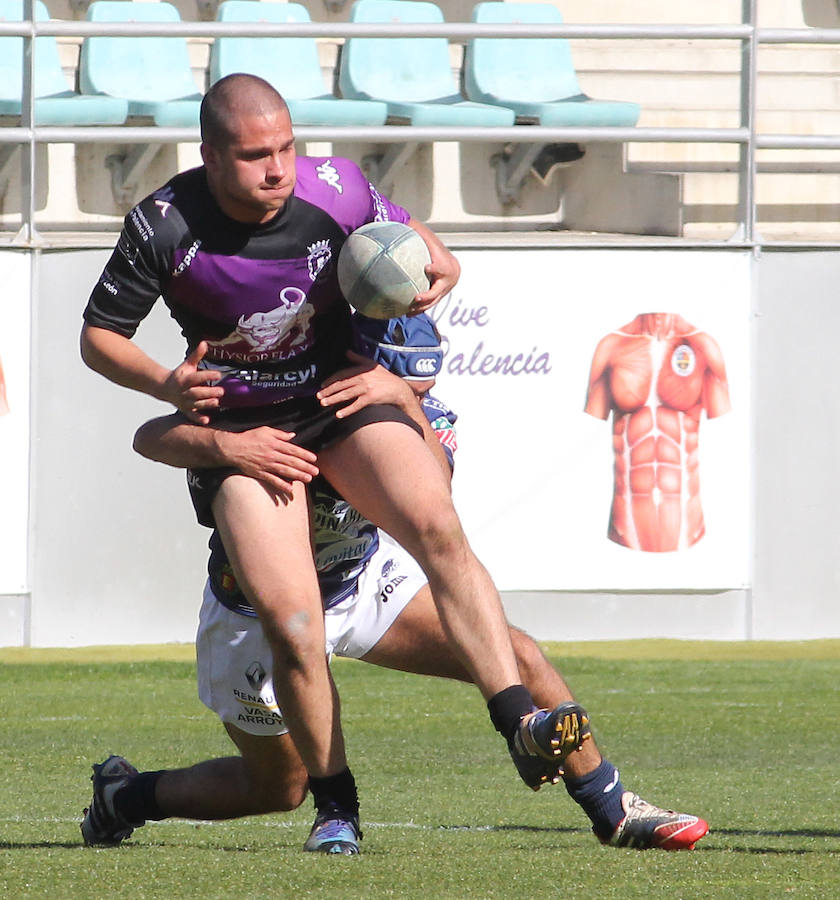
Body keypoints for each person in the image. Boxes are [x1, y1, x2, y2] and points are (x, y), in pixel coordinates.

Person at [80, 73, 590, 853]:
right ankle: (262, 802)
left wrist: (438, 269)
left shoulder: (337, 188)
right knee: (289, 652)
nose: (279, 168)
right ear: (210, 155)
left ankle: (515, 721)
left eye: (287, 147)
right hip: (251, 439)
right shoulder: (161, 225)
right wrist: (166, 382)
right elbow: (100, 339)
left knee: (436, 526)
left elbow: (425, 251)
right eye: (255, 156)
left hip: (335, 403)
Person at [81, 314, 709, 853]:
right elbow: (150, 435)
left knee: (517, 653)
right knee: (279, 787)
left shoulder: (416, 412)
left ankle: (612, 807)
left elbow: (437, 495)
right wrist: (229, 448)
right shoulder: (283, 401)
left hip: (359, 586)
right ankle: (126, 796)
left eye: (419, 383)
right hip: (255, 617)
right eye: (406, 379)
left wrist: (408, 408)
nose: (418, 391)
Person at [585, 312, 731, 552]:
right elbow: (587, 438)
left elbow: (727, 438)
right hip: (624, 533)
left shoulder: (703, 345)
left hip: (689, 533)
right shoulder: (611, 346)